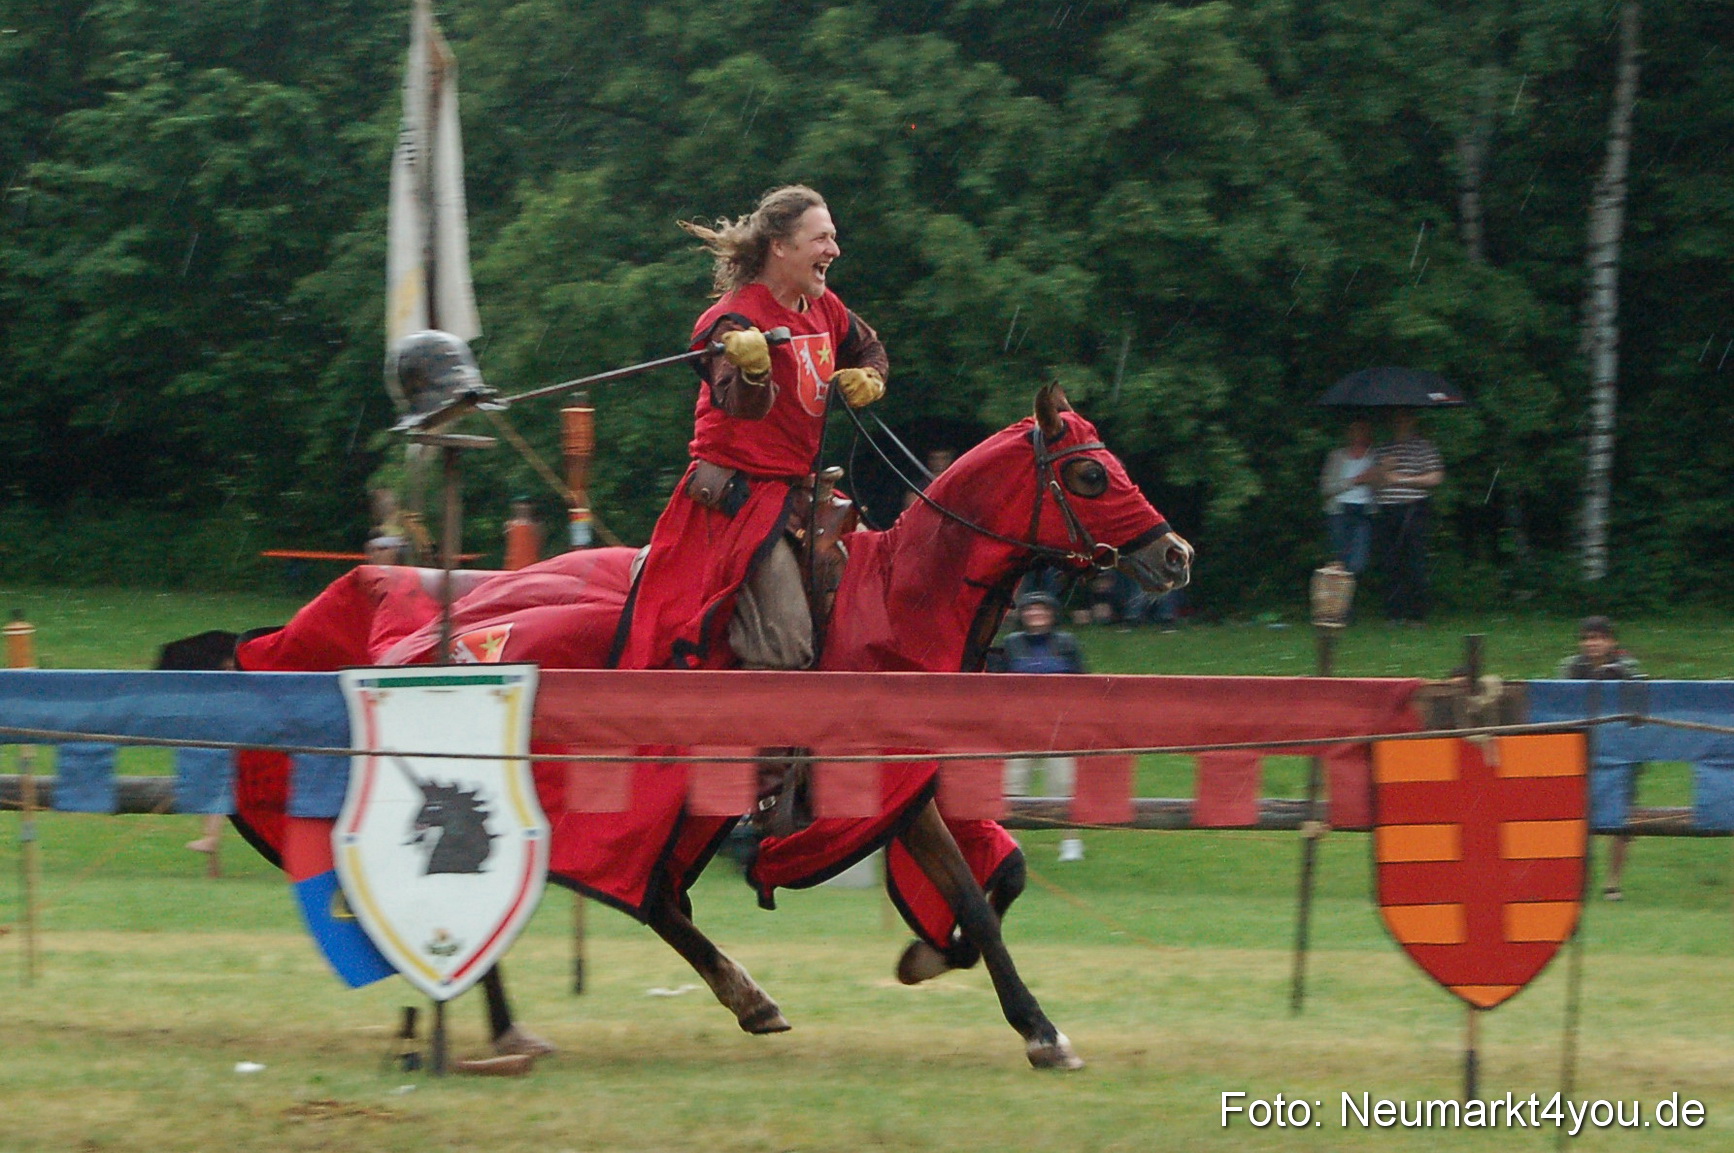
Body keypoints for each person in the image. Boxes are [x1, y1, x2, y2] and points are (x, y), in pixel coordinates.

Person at [612, 185, 888, 670]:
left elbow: (869, 346)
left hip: (803, 494)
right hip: (739, 500)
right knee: (787, 647)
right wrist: (754, 372)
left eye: (833, 237)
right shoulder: (731, 320)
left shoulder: (824, 306)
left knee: (871, 605)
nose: (834, 250)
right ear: (779, 246)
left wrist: (871, 377)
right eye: (821, 239)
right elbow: (740, 406)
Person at [1557, 615, 1644, 901]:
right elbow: (1560, 704)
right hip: (1580, 749)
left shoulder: (1628, 668)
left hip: (1621, 749)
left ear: (1611, 641)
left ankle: (1613, 883)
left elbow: (1639, 704)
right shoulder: (1571, 668)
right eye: (1586, 638)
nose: (1592, 643)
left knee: (1622, 816)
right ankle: (1576, 879)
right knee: (1575, 816)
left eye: (1598, 638)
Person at [998, 591, 1088, 861]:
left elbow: (1084, 685)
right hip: (1020, 727)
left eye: (1041, 609)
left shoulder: (1067, 643)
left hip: (1060, 726)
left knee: (1063, 784)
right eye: (1030, 610)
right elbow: (997, 685)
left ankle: (1070, 841)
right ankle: (1010, 841)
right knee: (1013, 784)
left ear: (1051, 614)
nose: (1035, 614)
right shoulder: (1011, 644)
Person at [1372, 409, 1444, 623]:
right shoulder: (1384, 448)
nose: (1401, 423)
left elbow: (1436, 477)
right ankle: (1394, 613)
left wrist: (1403, 479)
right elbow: (1375, 483)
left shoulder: (1424, 447)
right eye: (1397, 419)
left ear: (1412, 421)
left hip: (1414, 508)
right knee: (1390, 561)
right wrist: (1383, 469)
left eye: (1405, 419)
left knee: (1415, 561)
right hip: (1387, 508)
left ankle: (1417, 614)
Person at [1320, 418, 1377, 576]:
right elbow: (1326, 488)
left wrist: (1376, 478)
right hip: (1339, 511)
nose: (1358, 434)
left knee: (1358, 563)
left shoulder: (1375, 457)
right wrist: (1355, 481)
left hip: (1364, 512)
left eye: (1362, 430)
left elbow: (1382, 488)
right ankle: (1341, 591)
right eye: (1354, 430)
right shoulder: (1336, 457)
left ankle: (1348, 586)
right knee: (1340, 561)